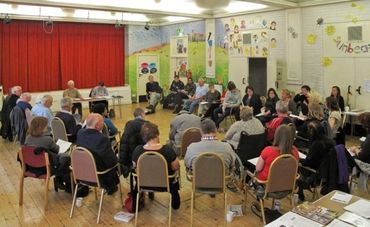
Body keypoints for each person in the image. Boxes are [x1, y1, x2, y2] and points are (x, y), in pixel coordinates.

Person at [132, 122, 180, 209]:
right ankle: (175, 203)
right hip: (165, 184)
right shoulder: (167, 150)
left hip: (143, 184)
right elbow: (176, 167)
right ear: (157, 134)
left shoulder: (138, 150)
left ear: (143, 137)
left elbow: (135, 167)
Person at [76, 113, 119, 194]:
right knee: (119, 164)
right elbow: (111, 162)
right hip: (99, 175)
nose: (103, 124)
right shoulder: (102, 138)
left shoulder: (80, 133)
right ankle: (112, 187)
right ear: (97, 126)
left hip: (82, 172)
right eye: (102, 122)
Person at [24, 117, 71, 191]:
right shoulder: (47, 139)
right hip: (45, 168)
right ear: (41, 128)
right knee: (66, 158)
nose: (47, 127)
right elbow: (57, 150)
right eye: (46, 126)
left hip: (30, 167)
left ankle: (60, 180)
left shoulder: (28, 138)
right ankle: (61, 179)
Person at [298, 121, 334, 201]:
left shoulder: (316, 145)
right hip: (325, 171)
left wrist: (298, 159)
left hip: (314, 172)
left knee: (295, 165)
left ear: (312, 133)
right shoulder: (330, 142)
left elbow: (308, 162)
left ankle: (299, 191)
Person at [119, 108, 148, 176]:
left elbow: (124, 144)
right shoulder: (147, 125)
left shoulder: (128, 125)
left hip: (129, 156)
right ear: (142, 114)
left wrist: (122, 162)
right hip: (144, 157)